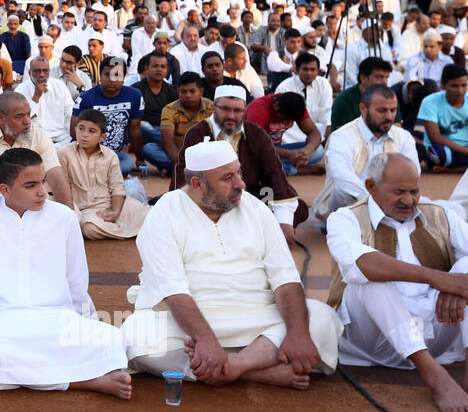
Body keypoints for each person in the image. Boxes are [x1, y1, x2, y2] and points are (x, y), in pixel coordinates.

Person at [122, 140, 342, 388]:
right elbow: (173, 290)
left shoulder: (256, 209)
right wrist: (204, 338)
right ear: (197, 184)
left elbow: (285, 278)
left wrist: (298, 333)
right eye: (228, 178)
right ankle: (257, 371)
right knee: (135, 335)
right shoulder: (164, 213)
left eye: (239, 172)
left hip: (259, 317)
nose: (240, 183)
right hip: (188, 323)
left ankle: (236, 366)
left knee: (322, 319)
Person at [0, 148, 132, 397]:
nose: (42, 191)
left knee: (112, 340)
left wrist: (87, 322)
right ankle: (86, 380)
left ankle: (1, 374)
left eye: (43, 182)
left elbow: (76, 280)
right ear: (5, 190)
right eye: (30, 185)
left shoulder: (64, 217)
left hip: (55, 316)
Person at [324, 154, 468, 412]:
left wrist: (458, 288)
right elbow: (363, 263)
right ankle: (435, 377)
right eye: (399, 191)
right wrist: (436, 278)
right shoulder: (346, 218)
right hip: (372, 340)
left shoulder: (440, 215)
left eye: (415, 191)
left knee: (465, 268)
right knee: (367, 279)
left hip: (437, 330)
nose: (410, 200)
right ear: (371, 187)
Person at [173, 85, 306, 236]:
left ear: (244, 111)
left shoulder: (257, 135)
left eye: (237, 111)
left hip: (250, 199)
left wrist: (284, 222)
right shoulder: (197, 133)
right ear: (213, 108)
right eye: (225, 109)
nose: (231, 116)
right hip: (210, 202)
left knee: (298, 209)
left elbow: (274, 175)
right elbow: (184, 179)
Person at [315, 84, 419, 219]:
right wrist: (374, 201)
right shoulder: (342, 136)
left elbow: (413, 174)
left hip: (392, 201)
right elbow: (341, 176)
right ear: (363, 109)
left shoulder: (404, 137)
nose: (389, 116)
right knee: (341, 190)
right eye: (382, 111)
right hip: (351, 203)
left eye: (393, 110)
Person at [0, 91, 71, 207]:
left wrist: (68, 216)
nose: (27, 122)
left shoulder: (38, 135)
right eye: (19, 116)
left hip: (32, 202)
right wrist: (2, 216)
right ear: (1, 117)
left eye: (28, 114)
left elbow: (57, 178)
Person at [59, 108, 148, 240]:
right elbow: (62, 188)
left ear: (102, 137)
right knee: (89, 228)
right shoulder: (64, 153)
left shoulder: (110, 156)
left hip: (110, 204)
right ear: (75, 129)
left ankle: (120, 226)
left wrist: (115, 212)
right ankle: (128, 230)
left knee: (148, 214)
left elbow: (117, 187)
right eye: (81, 129)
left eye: (91, 131)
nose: (84, 135)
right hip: (84, 210)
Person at [71, 56, 144, 175]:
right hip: (87, 152)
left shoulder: (134, 96)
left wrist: (140, 159)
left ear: (124, 77)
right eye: (107, 74)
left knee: (126, 165)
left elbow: (135, 129)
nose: (112, 79)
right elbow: (73, 131)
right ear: (100, 76)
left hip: (113, 155)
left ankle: (93, 171)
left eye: (117, 75)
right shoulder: (86, 98)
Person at [16, 54, 74, 147]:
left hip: (61, 139)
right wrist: (36, 97)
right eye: (37, 71)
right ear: (30, 72)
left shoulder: (60, 86)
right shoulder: (21, 90)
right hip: (34, 140)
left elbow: (70, 114)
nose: (42, 75)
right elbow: (20, 120)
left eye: (45, 71)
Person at [136, 51, 179, 173]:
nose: (159, 70)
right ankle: (181, 165)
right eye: (155, 66)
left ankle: (174, 168)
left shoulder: (172, 91)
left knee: (150, 149)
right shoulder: (136, 90)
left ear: (167, 69)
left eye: (162, 67)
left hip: (168, 131)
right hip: (147, 130)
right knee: (142, 127)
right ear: (147, 68)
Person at [418, 65, 468, 169]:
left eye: (464, 85)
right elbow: (435, 138)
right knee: (436, 154)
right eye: (454, 86)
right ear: (443, 85)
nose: (460, 90)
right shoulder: (430, 101)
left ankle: (452, 170)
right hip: (444, 150)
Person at [332, 56, 402, 129]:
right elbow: (343, 134)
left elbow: (396, 129)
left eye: (386, 77)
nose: (385, 82)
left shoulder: (389, 98)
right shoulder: (345, 100)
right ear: (363, 78)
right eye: (379, 77)